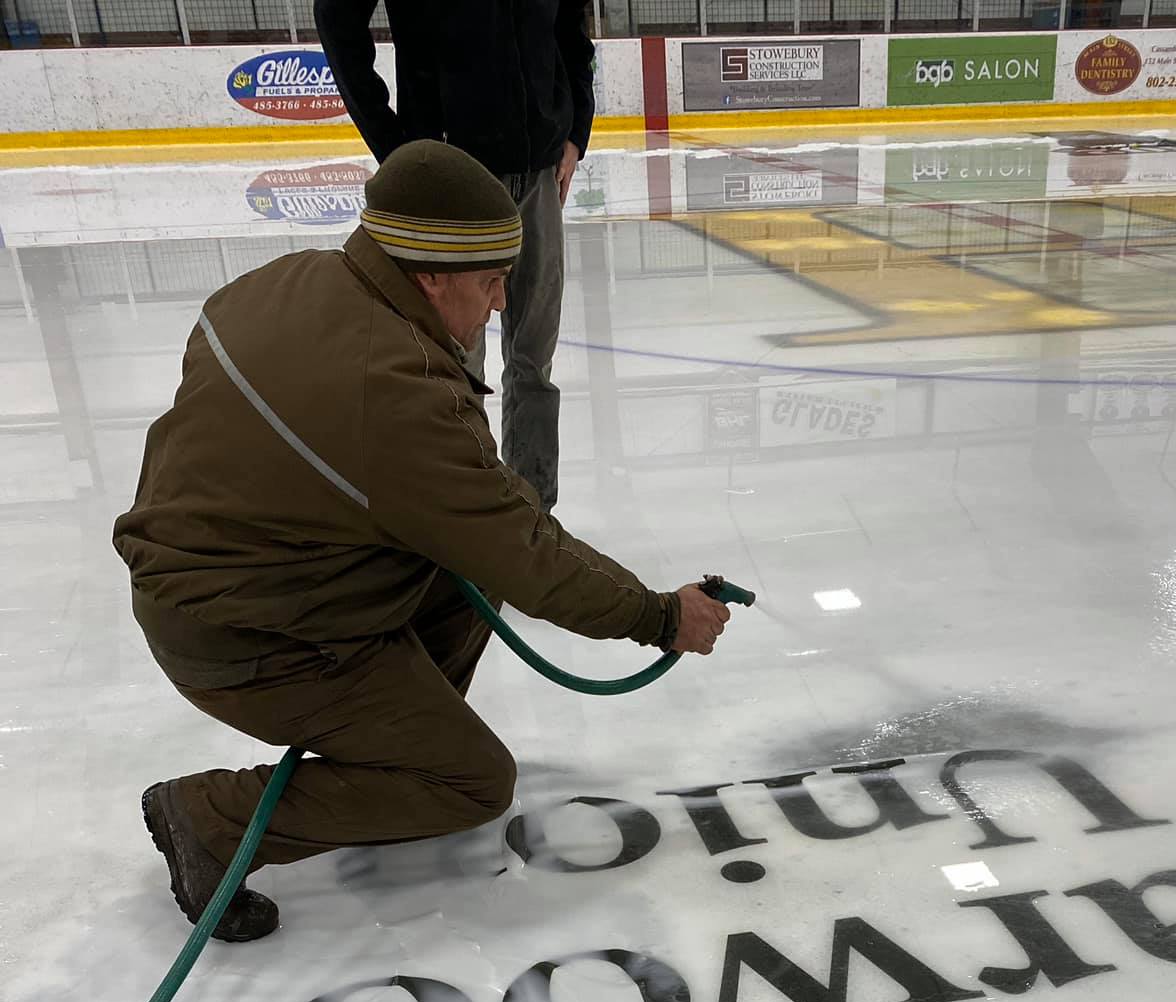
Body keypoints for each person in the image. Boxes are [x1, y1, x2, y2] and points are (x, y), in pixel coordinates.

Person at [113, 140, 728, 945]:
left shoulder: (280, 282)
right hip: (246, 638)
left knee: (461, 572)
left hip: (224, 584)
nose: (501, 303)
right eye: (489, 281)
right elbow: (528, 554)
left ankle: (389, 728)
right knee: (472, 781)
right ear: (431, 273)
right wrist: (658, 617)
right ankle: (212, 817)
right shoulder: (397, 390)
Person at [315, 0, 592, 511]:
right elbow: (337, 16)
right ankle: (465, 513)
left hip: (540, 175)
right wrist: (396, 144)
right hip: (452, 177)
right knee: (454, 363)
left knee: (534, 362)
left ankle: (532, 511)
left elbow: (571, 28)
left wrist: (577, 129)